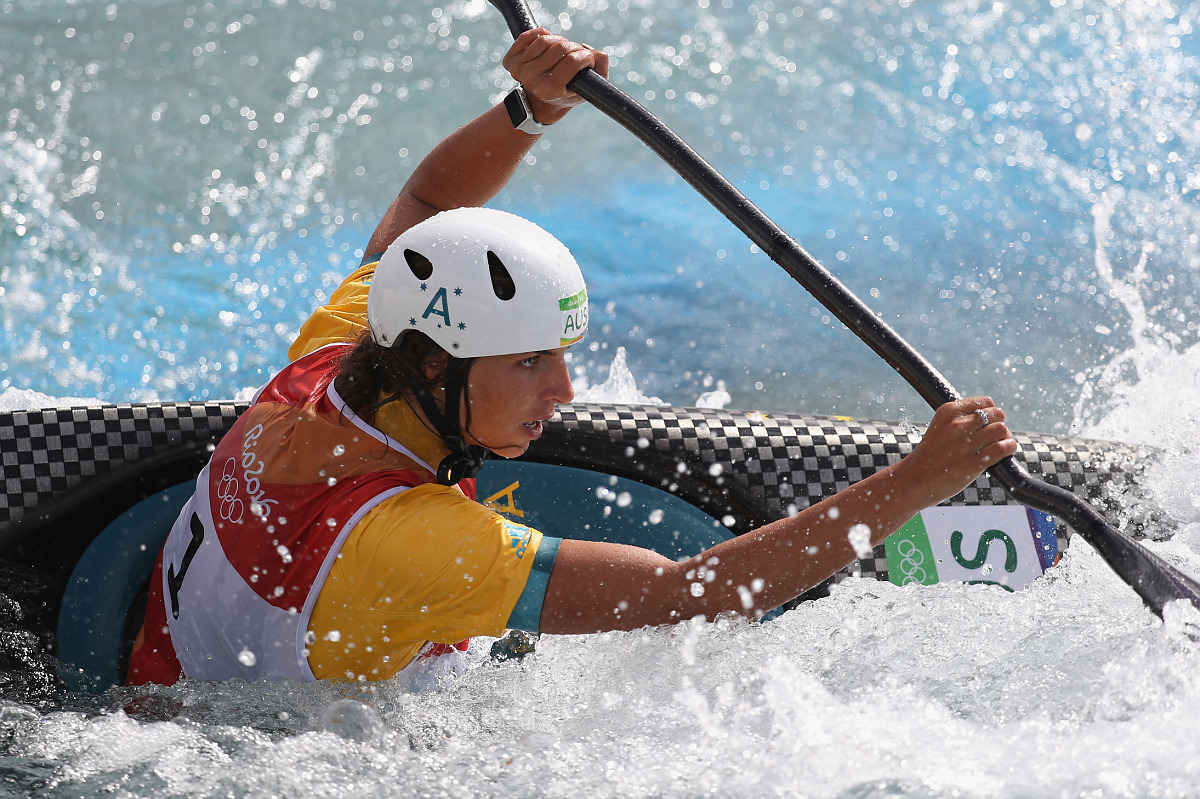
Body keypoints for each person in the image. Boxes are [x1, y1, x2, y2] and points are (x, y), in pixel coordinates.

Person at [126, 28, 1018, 687]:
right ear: (437, 367)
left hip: (176, 671)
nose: (564, 391)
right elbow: (697, 592)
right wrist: (919, 480)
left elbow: (428, 198)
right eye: (526, 365)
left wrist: (529, 108)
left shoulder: (330, 363)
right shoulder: (415, 544)